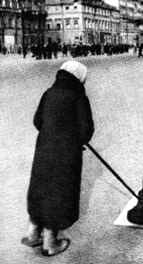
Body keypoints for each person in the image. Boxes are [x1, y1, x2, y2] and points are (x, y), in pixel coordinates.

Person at [22, 60, 94, 257]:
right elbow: (86, 130)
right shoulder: (78, 96)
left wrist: (51, 132)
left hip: (44, 148)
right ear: (79, 77)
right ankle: (50, 243)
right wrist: (73, 138)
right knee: (59, 193)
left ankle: (32, 234)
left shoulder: (49, 92)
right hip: (66, 153)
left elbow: (38, 120)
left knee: (41, 188)